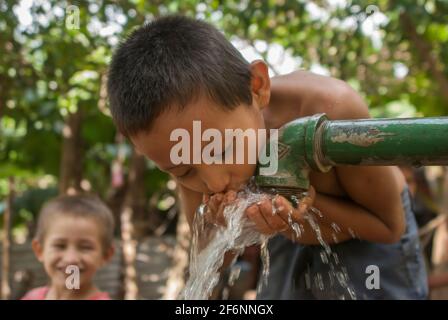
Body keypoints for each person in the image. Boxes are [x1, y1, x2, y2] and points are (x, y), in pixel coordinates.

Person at [107, 15, 428, 299]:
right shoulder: (189, 147)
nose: (214, 181)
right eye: (183, 171)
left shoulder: (331, 109)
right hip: (289, 238)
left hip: (372, 241)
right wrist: (224, 226)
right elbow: (214, 257)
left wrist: (304, 205)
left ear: (257, 87)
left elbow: (389, 227)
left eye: (223, 149)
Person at [22, 194, 115, 300]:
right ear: (39, 250)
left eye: (85, 247)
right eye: (60, 246)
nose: (71, 259)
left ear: (106, 255)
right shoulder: (31, 297)